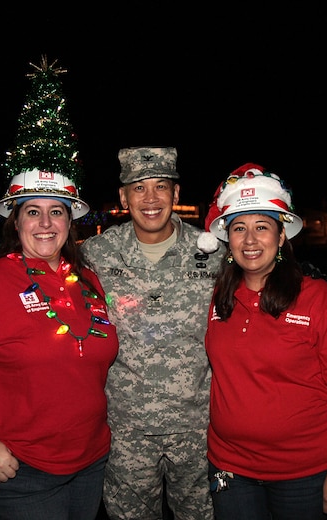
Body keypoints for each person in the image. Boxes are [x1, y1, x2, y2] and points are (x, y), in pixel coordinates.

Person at [0, 168, 119, 519]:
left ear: (70, 222)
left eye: (56, 211)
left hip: (89, 463)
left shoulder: (88, 282)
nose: (45, 223)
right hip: (14, 470)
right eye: (32, 212)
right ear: (15, 220)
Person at [200, 164, 327, 519]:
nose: (250, 239)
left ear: (281, 237)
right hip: (230, 468)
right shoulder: (220, 298)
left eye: (262, 227)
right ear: (227, 240)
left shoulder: (318, 298)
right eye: (239, 228)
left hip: (303, 475)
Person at [81, 146, 224, 519]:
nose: (150, 199)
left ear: (176, 194)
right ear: (123, 197)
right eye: (138, 188)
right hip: (126, 431)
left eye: (161, 186)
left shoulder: (212, 253)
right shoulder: (97, 254)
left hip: (198, 429)